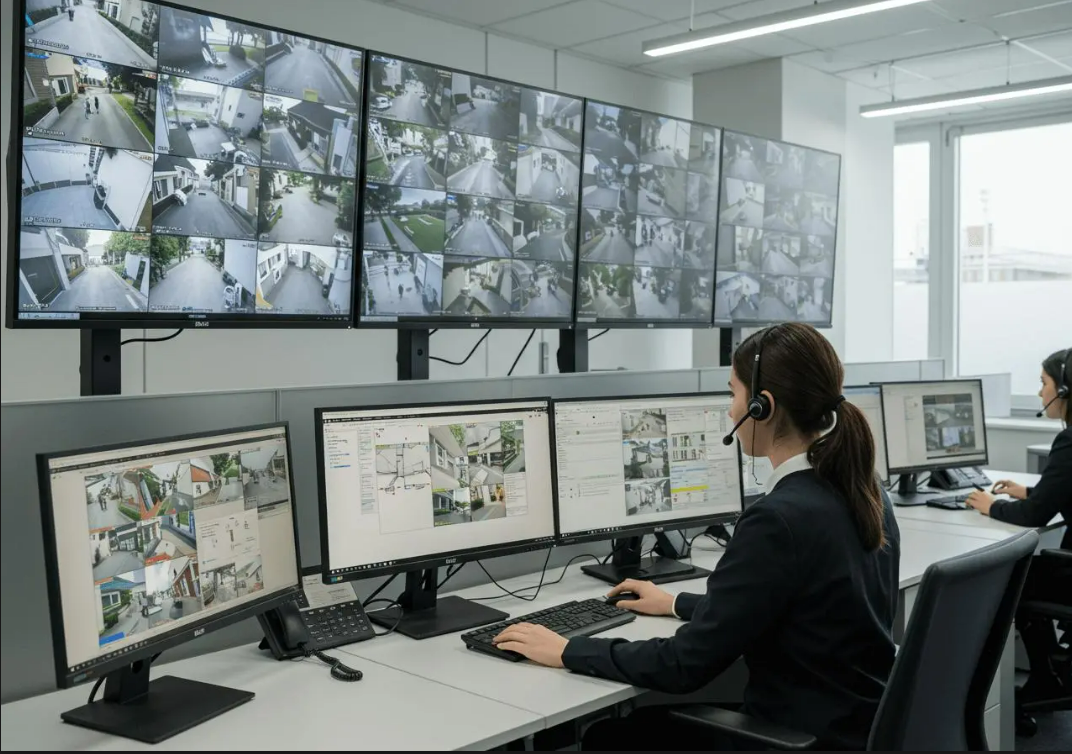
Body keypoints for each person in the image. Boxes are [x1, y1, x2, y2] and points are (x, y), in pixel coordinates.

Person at [494, 323, 901, 751]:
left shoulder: (777, 520)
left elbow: (682, 665)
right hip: (849, 729)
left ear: (763, 407)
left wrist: (567, 649)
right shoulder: (865, 491)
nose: (730, 410)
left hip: (797, 738)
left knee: (610, 736)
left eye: (733, 394)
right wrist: (674, 603)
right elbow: (793, 605)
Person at [966, 348, 1071, 708]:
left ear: (1065, 391)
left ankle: (1047, 676)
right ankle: (1055, 667)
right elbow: (1061, 492)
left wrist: (991, 505)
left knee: (1014, 577)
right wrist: (1027, 491)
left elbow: (1035, 516)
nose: (1041, 393)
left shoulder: (1069, 440)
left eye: (1044, 384)